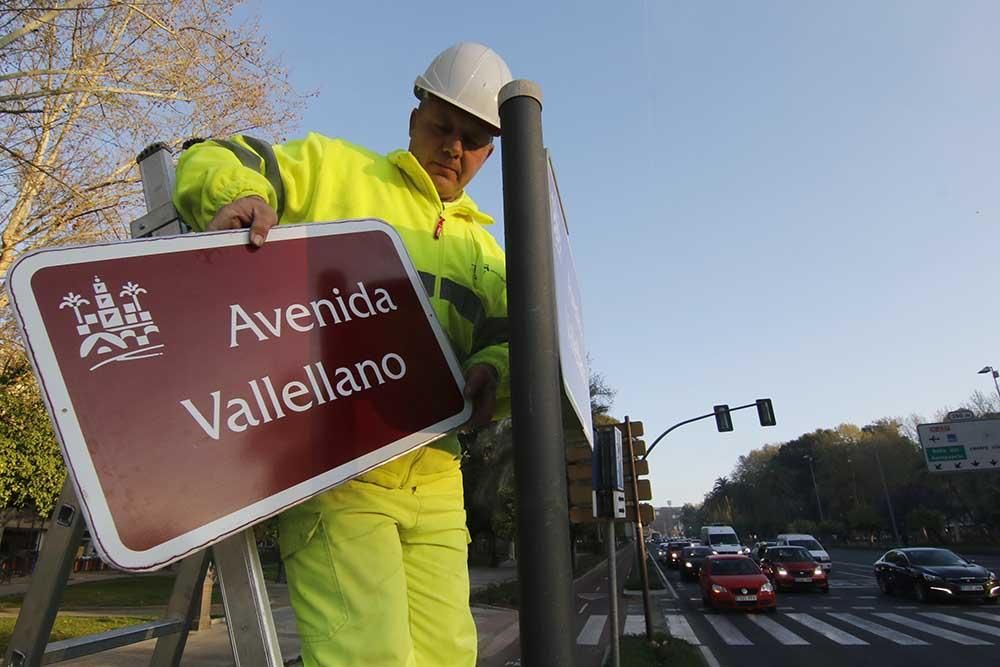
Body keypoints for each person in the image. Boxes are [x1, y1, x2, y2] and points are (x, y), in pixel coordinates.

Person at [172, 42, 513, 667]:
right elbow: (219, 153)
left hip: (438, 475)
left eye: (473, 138)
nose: (452, 148)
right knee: (370, 657)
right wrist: (241, 194)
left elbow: (511, 338)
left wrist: (492, 367)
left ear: (490, 151)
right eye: (442, 126)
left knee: (451, 657)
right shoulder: (336, 169)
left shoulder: (488, 252)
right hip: (338, 468)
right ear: (415, 116)